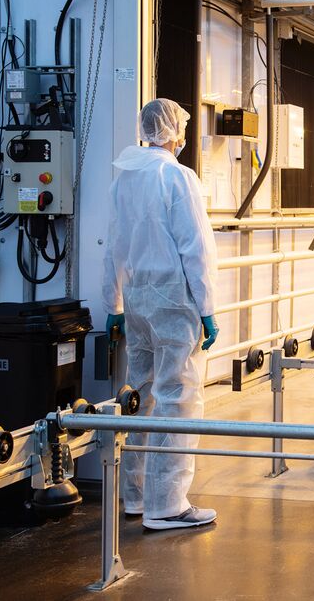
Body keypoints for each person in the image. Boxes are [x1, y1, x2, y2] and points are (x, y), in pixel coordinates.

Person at [102, 98, 220, 531]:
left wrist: (112, 303)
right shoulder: (177, 176)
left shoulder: (125, 178)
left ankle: (134, 496)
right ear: (174, 133)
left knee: (140, 395)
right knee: (179, 398)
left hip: (137, 301)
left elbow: (112, 244)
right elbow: (197, 246)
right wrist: (207, 308)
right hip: (173, 299)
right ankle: (167, 505)